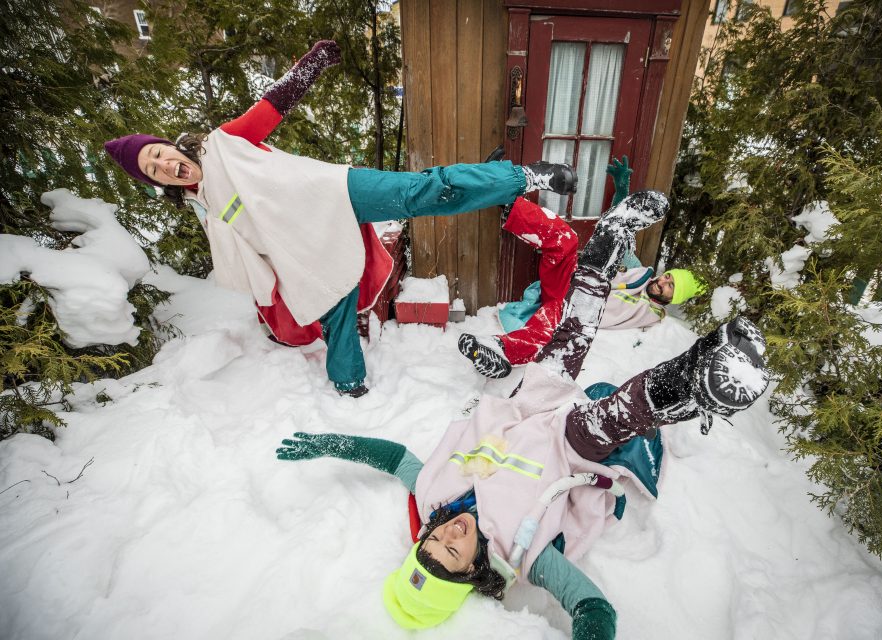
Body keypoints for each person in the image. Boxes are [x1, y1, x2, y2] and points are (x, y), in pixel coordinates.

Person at [275, 189, 770, 638]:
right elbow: (591, 606)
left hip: (525, 405)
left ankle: (610, 238)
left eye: (433, 543)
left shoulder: (433, 499)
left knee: (571, 332)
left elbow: (395, 458)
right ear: (473, 571)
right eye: (452, 551)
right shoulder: (524, 555)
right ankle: (702, 372)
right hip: (568, 444)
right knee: (613, 416)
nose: (449, 534)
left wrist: (331, 444)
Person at [104, 39, 577, 397]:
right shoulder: (204, 207)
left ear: (169, 146)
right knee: (335, 312)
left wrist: (313, 63)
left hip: (335, 193)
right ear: (157, 183)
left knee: (421, 190)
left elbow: (271, 106)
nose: (164, 165)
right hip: (305, 248)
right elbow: (250, 255)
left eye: (159, 154)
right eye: (152, 171)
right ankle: (351, 390)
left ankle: (523, 176)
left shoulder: (223, 144)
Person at [458, 157, 705, 379]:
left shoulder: (653, 315)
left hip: (576, 307)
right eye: (668, 277)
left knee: (551, 325)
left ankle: (500, 352)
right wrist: (622, 193)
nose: (663, 282)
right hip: (571, 279)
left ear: (674, 299)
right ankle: (506, 201)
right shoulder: (639, 272)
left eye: (671, 287)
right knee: (567, 237)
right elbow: (618, 235)